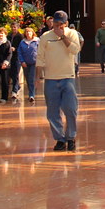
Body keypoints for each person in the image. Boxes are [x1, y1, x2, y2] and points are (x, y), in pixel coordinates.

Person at [36, 10, 81, 151]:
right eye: (56, 23)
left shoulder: (72, 34)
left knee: (70, 109)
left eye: (61, 24)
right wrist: (38, 77)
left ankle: (71, 137)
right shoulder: (45, 37)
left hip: (67, 77)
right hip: (51, 78)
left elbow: (75, 50)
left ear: (66, 23)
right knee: (52, 112)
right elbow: (40, 57)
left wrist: (63, 37)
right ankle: (60, 139)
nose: (58, 26)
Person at [16, 27, 39, 102]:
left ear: (32, 33)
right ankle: (31, 91)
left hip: (34, 63)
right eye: (27, 32)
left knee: (31, 78)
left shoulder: (37, 41)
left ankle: (32, 95)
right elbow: (19, 52)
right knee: (28, 79)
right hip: (25, 63)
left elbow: (41, 50)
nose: (28, 33)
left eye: (30, 32)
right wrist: (22, 61)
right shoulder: (22, 42)